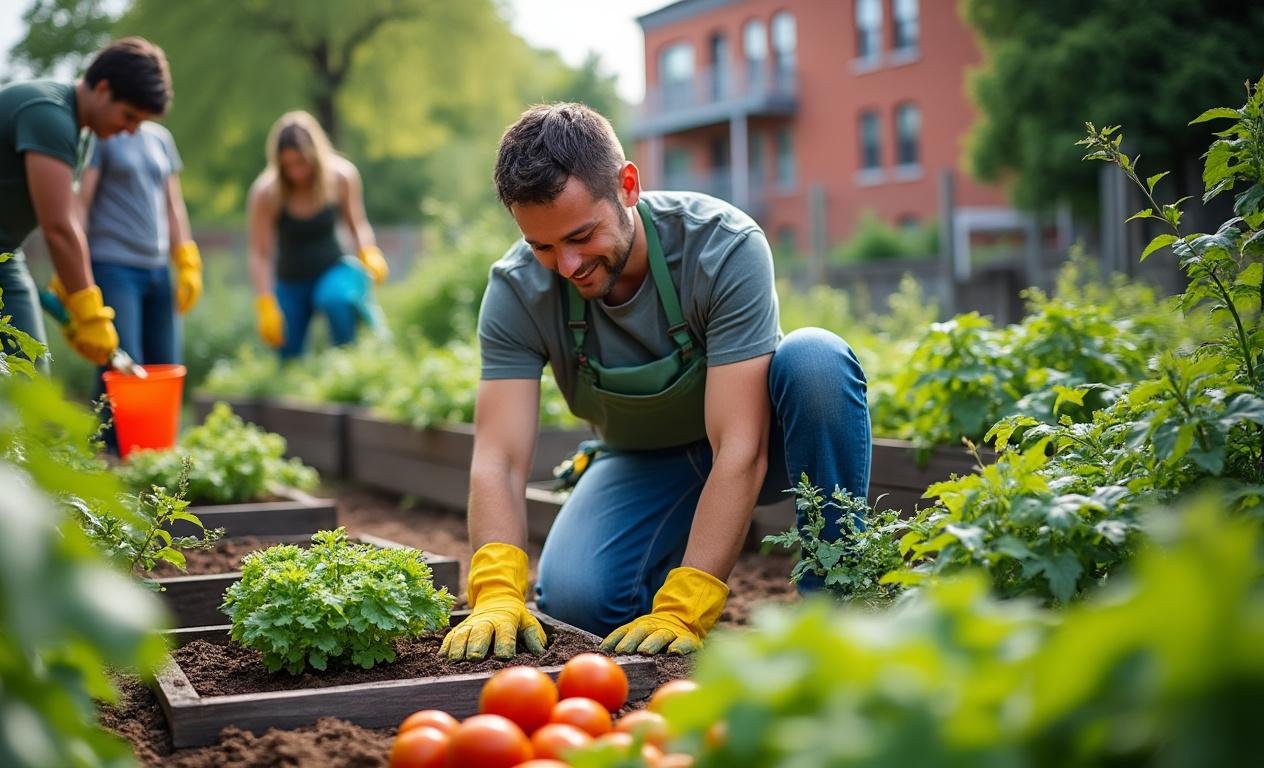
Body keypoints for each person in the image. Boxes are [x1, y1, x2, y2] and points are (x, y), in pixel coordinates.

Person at [439, 103, 871, 661]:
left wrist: (689, 600)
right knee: (577, 600)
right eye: (542, 246)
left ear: (627, 186)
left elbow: (740, 446)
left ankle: (839, 611)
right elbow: (498, 457)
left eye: (581, 235)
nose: (567, 264)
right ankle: (659, 552)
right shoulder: (519, 290)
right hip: (642, 460)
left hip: (760, 445)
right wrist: (496, 589)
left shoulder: (721, 247)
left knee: (816, 360)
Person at [0, 37, 173, 370]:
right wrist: (88, 309)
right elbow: (58, 227)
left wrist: (70, 287)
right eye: (128, 116)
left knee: (29, 367)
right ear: (103, 89)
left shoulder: (82, 134)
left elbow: (66, 215)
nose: (130, 130)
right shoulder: (49, 114)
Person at [77, 119, 200, 439]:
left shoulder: (161, 137)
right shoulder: (103, 136)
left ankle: (153, 449)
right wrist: (74, 270)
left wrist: (186, 258)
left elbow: (173, 205)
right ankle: (117, 453)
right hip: (113, 265)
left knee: (164, 365)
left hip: (158, 268)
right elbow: (82, 203)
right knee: (123, 364)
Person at [247, 111, 389, 359]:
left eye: (301, 163)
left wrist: (368, 251)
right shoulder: (266, 193)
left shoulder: (342, 177)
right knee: (287, 351)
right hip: (291, 280)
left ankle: (348, 362)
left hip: (333, 270)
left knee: (336, 300)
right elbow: (259, 252)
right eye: (288, 165)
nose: (296, 172)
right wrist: (266, 302)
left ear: (315, 156)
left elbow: (358, 225)